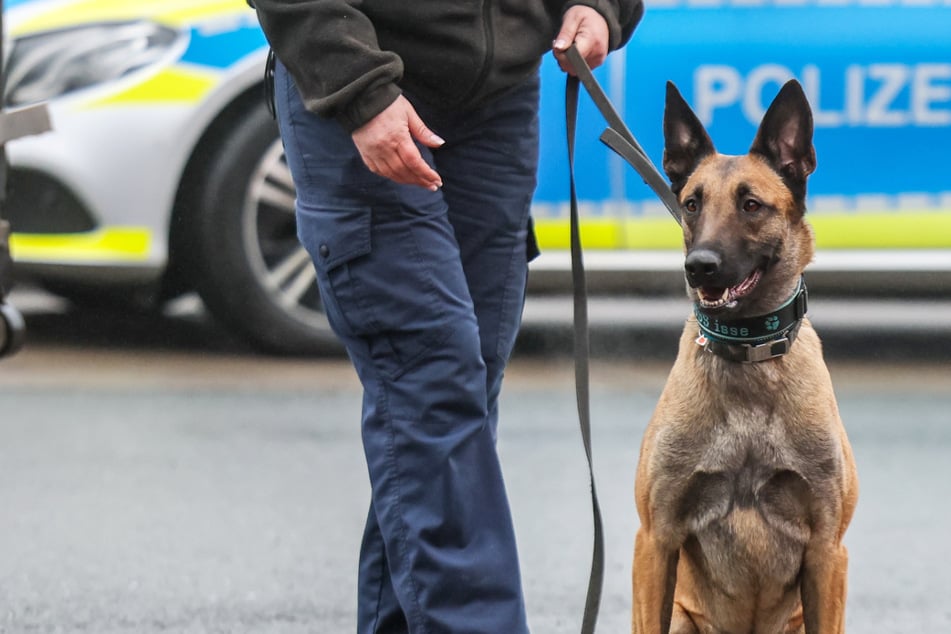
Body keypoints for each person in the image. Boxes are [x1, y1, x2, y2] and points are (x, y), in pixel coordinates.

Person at [251, 2, 642, 632]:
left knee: (456, 407)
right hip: (370, 94)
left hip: (499, 104)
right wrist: (360, 88)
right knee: (434, 387)